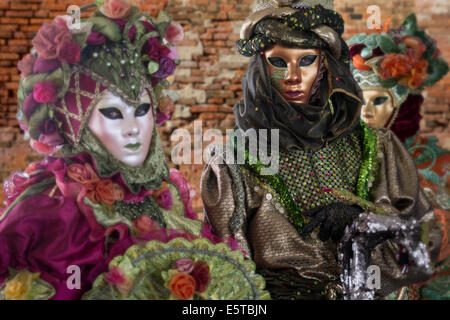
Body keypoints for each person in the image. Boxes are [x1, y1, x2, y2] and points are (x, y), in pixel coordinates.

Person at [0, 1, 259, 300]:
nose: (133, 128)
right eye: (112, 113)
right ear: (76, 124)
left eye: (142, 109)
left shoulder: (166, 198)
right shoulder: (46, 210)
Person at [201, 0, 443, 300]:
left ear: (324, 64)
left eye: (306, 61)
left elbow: (424, 247)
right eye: (279, 62)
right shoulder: (233, 163)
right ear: (261, 67)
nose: (292, 76)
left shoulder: (377, 148)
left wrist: (364, 222)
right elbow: (227, 276)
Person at [347, 14, 449, 299]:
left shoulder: (436, 166)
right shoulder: (343, 158)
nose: (365, 113)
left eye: (378, 100)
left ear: (403, 106)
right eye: (359, 101)